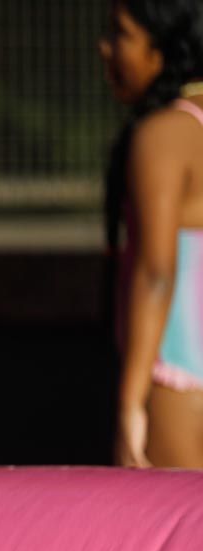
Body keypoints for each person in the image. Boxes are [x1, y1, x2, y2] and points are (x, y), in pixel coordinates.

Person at [102, 0, 203, 468]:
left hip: (182, 371)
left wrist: (131, 402)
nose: (105, 48)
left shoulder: (165, 135)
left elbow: (157, 273)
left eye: (121, 34)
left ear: (162, 48)